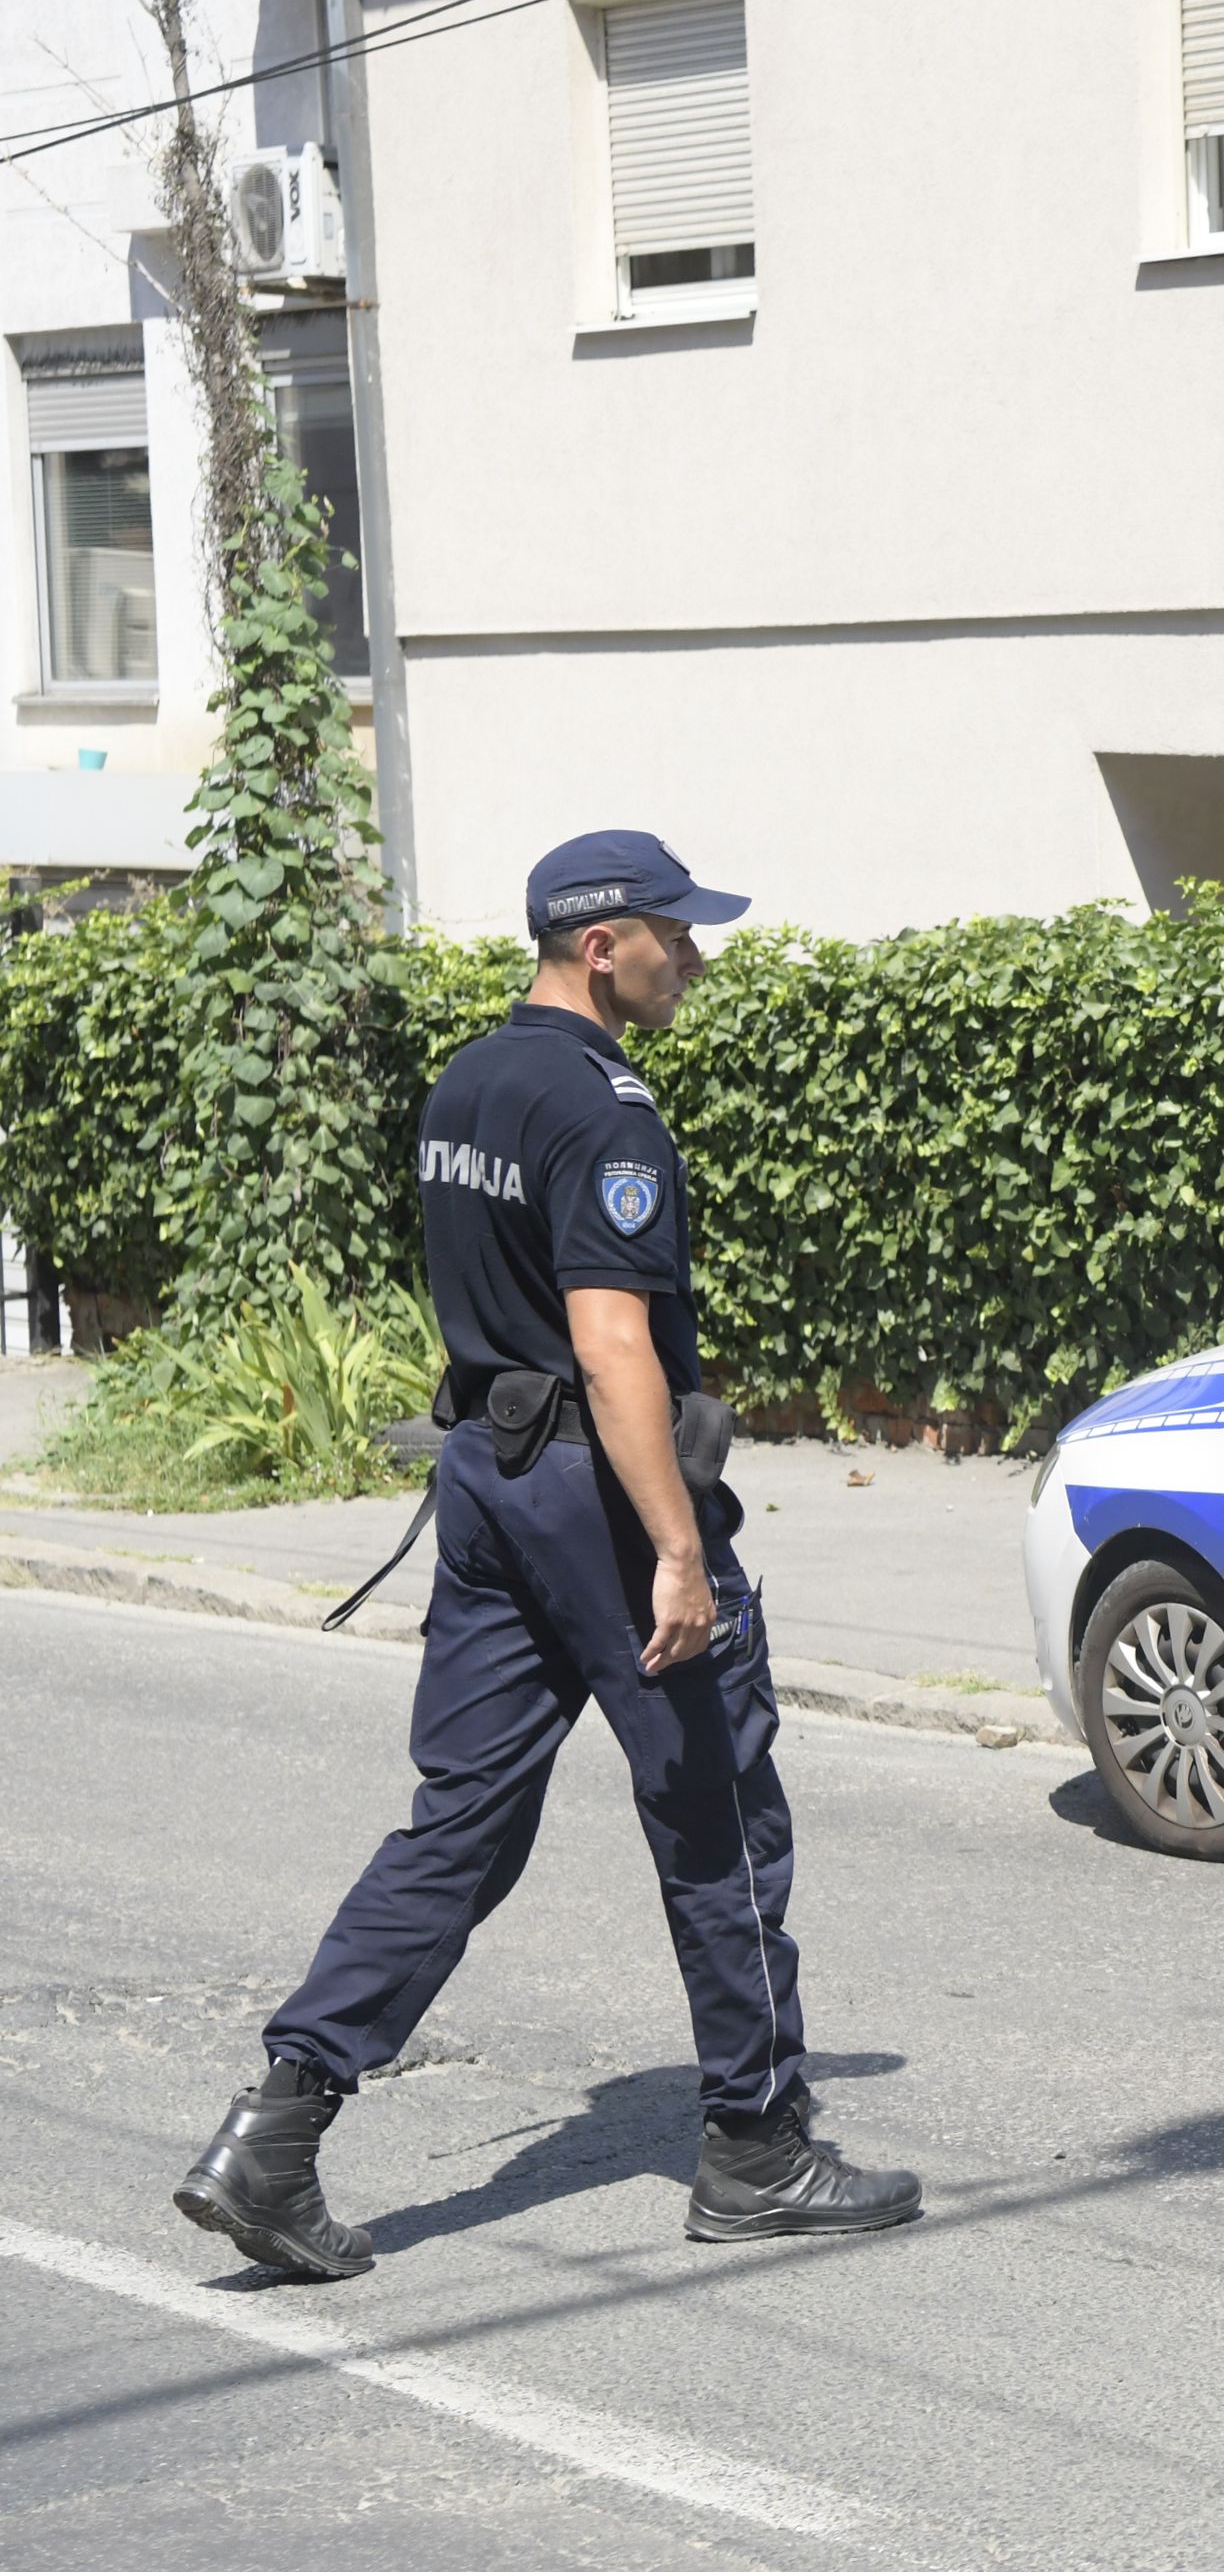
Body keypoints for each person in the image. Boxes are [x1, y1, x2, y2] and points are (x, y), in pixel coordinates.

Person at [174, 832, 918, 2279]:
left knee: (461, 1819)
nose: (691, 956)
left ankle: (275, 2134)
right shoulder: (605, 1111)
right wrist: (679, 1553)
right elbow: (612, 1342)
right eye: (672, 936)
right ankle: (759, 2149)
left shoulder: (468, 1080)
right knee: (721, 1814)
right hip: (592, 1488)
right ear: (601, 948)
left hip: (488, 1478)